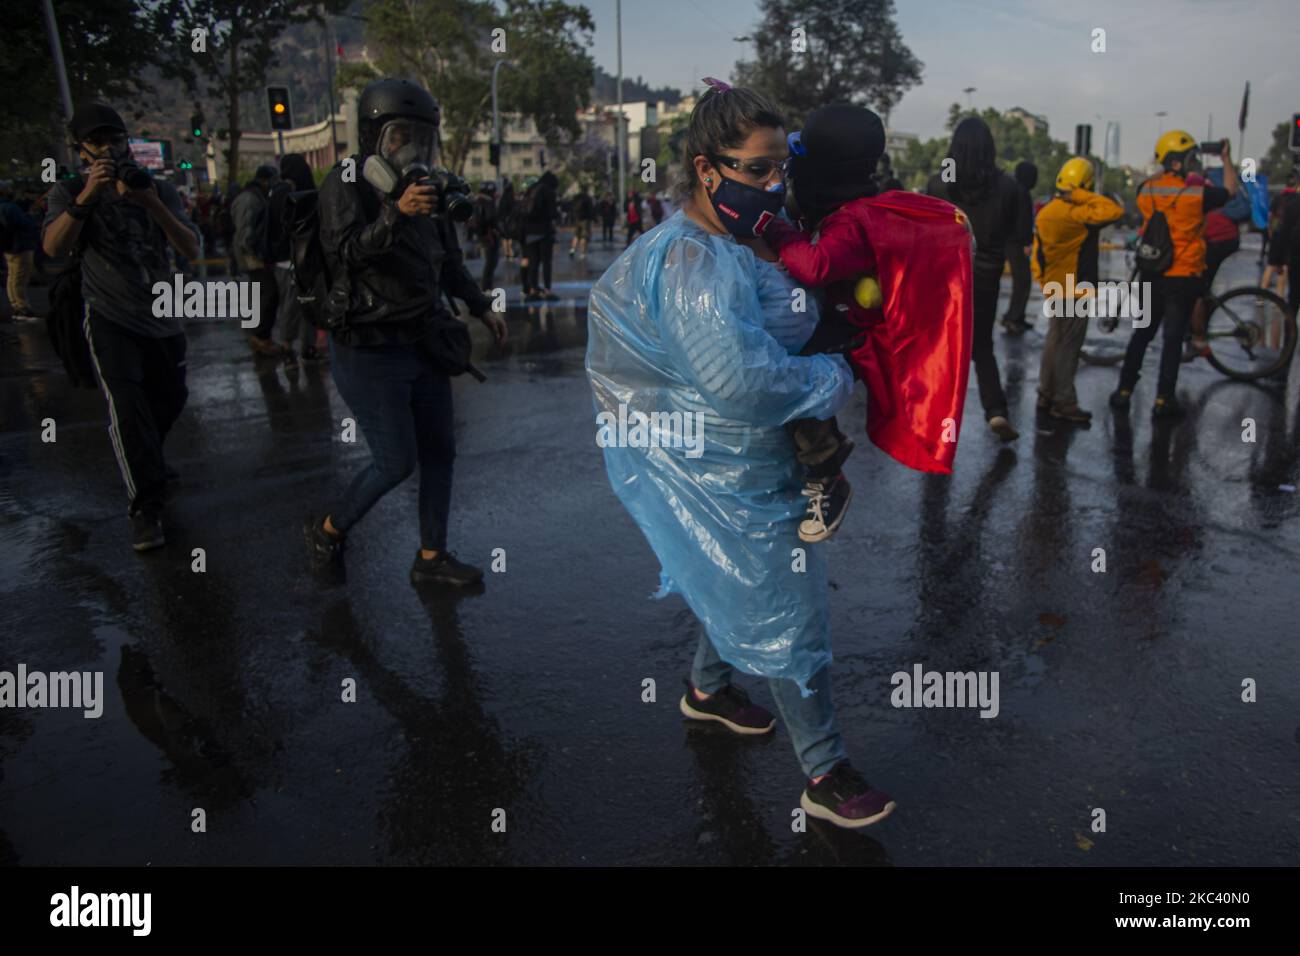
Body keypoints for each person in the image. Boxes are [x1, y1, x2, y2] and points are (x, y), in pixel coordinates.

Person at [586, 80, 896, 829]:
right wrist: (837, 373)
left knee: (719, 572)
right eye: (754, 171)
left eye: (776, 167)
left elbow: (777, 321)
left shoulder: (743, 237)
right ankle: (824, 772)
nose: (771, 184)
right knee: (788, 611)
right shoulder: (693, 263)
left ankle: (706, 689)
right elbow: (739, 382)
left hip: (746, 456)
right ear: (705, 168)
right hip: (721, 464)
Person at [303, 78, 507, 588]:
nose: (411, 148)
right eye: (400, 136)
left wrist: (481, 306)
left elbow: (447, 261)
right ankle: (328, 529)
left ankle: (431, 557)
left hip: (423, 340)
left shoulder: (427, 187)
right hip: (369, 349)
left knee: (441, 450)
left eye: (420, 137)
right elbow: (345, 252)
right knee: (395, 461)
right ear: (374, 137)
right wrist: (395, 213)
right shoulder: (345, 182)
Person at [762, 102, 974, 542]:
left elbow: (816, 265)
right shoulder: (860, 208)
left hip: (851, 332)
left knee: (791, 380)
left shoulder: (854, 224)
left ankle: (826, 471)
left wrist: (776, 230)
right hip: (845, 315)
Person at [41, 101, 200, 551]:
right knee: (128, 410)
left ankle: (149, 463)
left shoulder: (158, 189)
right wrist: (87, 198)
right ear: (81, 150)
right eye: (97, 142)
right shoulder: (68, 191)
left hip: (164, 315)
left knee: (171, 398)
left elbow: (190, 245)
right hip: (110, 317)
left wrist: (150, 201)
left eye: (115, 139)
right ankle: (144, 510)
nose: (109, 149)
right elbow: (53, 247)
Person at [1111, 132, 1237, 419]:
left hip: (1152, 271)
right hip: (1183, 275)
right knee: (1172, 340)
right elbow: (1230, 190)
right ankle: (1163, 400)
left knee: (1141, 335)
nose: (1194, 163)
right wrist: (1226, 158)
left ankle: (1123, 392)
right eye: (1190, 158)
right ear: (1178, 163)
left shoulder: (1146, 190)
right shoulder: (1197, 193)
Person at [927, 117, 1021, 441]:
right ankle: (996, 412)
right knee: (982, 347)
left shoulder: (939, 185)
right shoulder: (1008, 187)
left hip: (945, 280)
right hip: (985, 280)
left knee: (945, 351)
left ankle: (940, 419)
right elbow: (1016, 243)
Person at [1029, 157, 1125, 423]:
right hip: (1075, 290)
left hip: (1054, 286)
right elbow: (1114, 210)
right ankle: (1064, 402)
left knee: (1054, 342)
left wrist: (1043, 281)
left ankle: (1045, 394)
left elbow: (1037, 255)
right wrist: (1082, 193)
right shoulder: (1079, 215)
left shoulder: (1047, 212)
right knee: (1069, 347)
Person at [267, 153, 321, 367]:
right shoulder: (287, 193)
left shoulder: (279, 192)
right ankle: (290, 347)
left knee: (303, 305)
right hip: (292, 260)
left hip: (292, 259)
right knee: (296, 305)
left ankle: (302, 347)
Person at [1182, 171, 1241, 360]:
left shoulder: (1195, 198)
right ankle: (1194, 330)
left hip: (1218, 241)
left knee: (1195, 290)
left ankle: (1199, 339)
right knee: (1199, 286)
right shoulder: (1207, 195)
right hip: (1225, 239)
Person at [231, 164, 281, 355]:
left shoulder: (250, 196)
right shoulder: (250, 199)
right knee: (268, 294)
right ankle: (261, 336)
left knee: (264, 294)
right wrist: (255, 253)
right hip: (252, 256)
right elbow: (246, 232)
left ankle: (261, 335)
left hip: (251, 254)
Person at [1002, 160, 1038, 335]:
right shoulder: (1022, 192)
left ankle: (1017, 316)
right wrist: (1026, 243)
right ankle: (1013, 317)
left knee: (1021, 282)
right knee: (1023, 281)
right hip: (1017, 243)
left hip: (1010, 241)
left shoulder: (1013, 189)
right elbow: (1023, 221)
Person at [0, 180, 41, 321]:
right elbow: (26, 224)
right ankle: (22, 308)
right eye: (9, 188)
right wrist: (31, 216)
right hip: (20, 246)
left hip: (8, 247)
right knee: (20, 279)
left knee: (12, 278)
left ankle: (16, 305)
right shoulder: (10, 207)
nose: (12, 190)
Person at [521, 170, 559, 300]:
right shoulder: (548, 191)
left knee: (534, 262)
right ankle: (547, 289)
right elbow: (553, 213)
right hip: (544, 231)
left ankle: (533, 289)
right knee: (546, 262)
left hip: (529, 232)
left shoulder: (531, 190)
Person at [473, 180, 500, 290]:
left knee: (490, 262)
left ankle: (486, 287)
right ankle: (487, 287)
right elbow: (490, 217)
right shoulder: (488, 201)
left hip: (482, 233)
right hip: (489, 234)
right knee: (491, 262)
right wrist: (496, 228)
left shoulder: (477, 200)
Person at [569, 187, 593, 258]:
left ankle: (572, 249)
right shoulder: (587, 198)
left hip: (577, 219)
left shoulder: (576, 198)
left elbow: (571, 207)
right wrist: (593, 218)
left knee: (576, 235)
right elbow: (591, 210)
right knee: (584, 236)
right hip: (585, 220)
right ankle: (583, 253)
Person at [497, 180, 516, 261]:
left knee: (505, 238)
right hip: (511, 221)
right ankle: (511, 252)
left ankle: (506, 253)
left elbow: (499, 211)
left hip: (503, 221)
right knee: (510, 237)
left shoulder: (502, 198)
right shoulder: (512, 198)